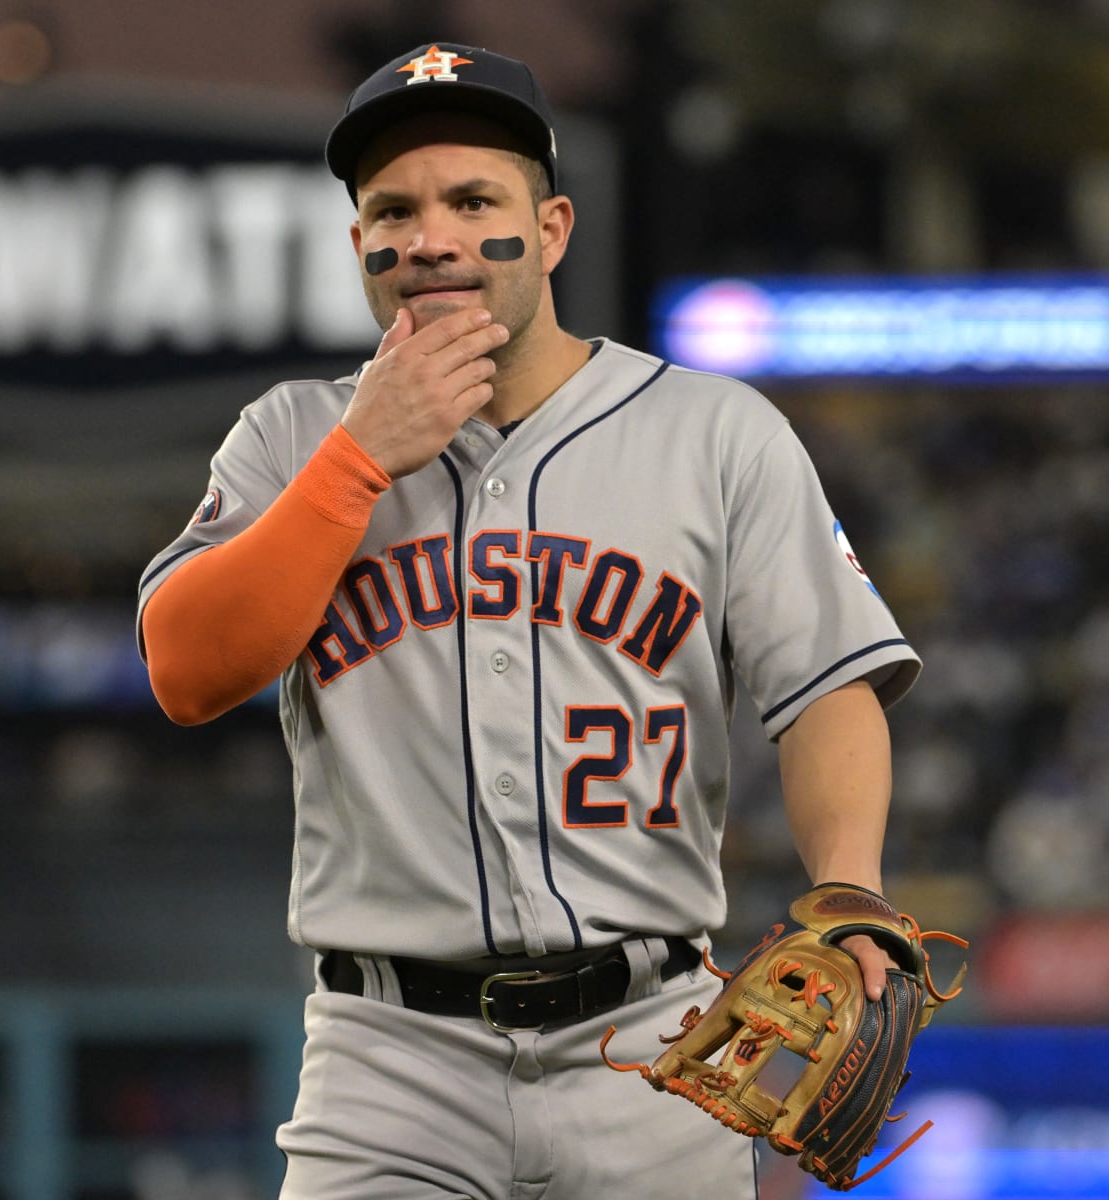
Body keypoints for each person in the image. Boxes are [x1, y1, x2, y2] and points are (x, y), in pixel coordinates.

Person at [137, 41, 920, 1200]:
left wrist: (850, 886)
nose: (433, 237)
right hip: (387, 1062)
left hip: (655, 1048)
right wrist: (358, 461)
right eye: (393, 210)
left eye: (472, 200)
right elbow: (186, 672)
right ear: (360, 247)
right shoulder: (293, 437)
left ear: (549, 230)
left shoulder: (711, 431)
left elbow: (826, 690)